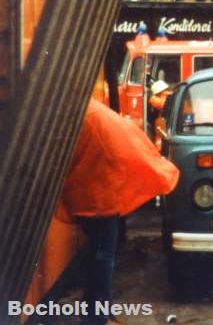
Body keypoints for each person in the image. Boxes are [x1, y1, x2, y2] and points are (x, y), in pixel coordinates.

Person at [56, 99, 180, 325]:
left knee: (98, 255)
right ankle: (97, 316)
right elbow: (130, 149)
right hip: (101, 202)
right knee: (104, 258)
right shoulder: (95, 115)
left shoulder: (83, 115)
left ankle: (93, 311)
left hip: (87, 199)